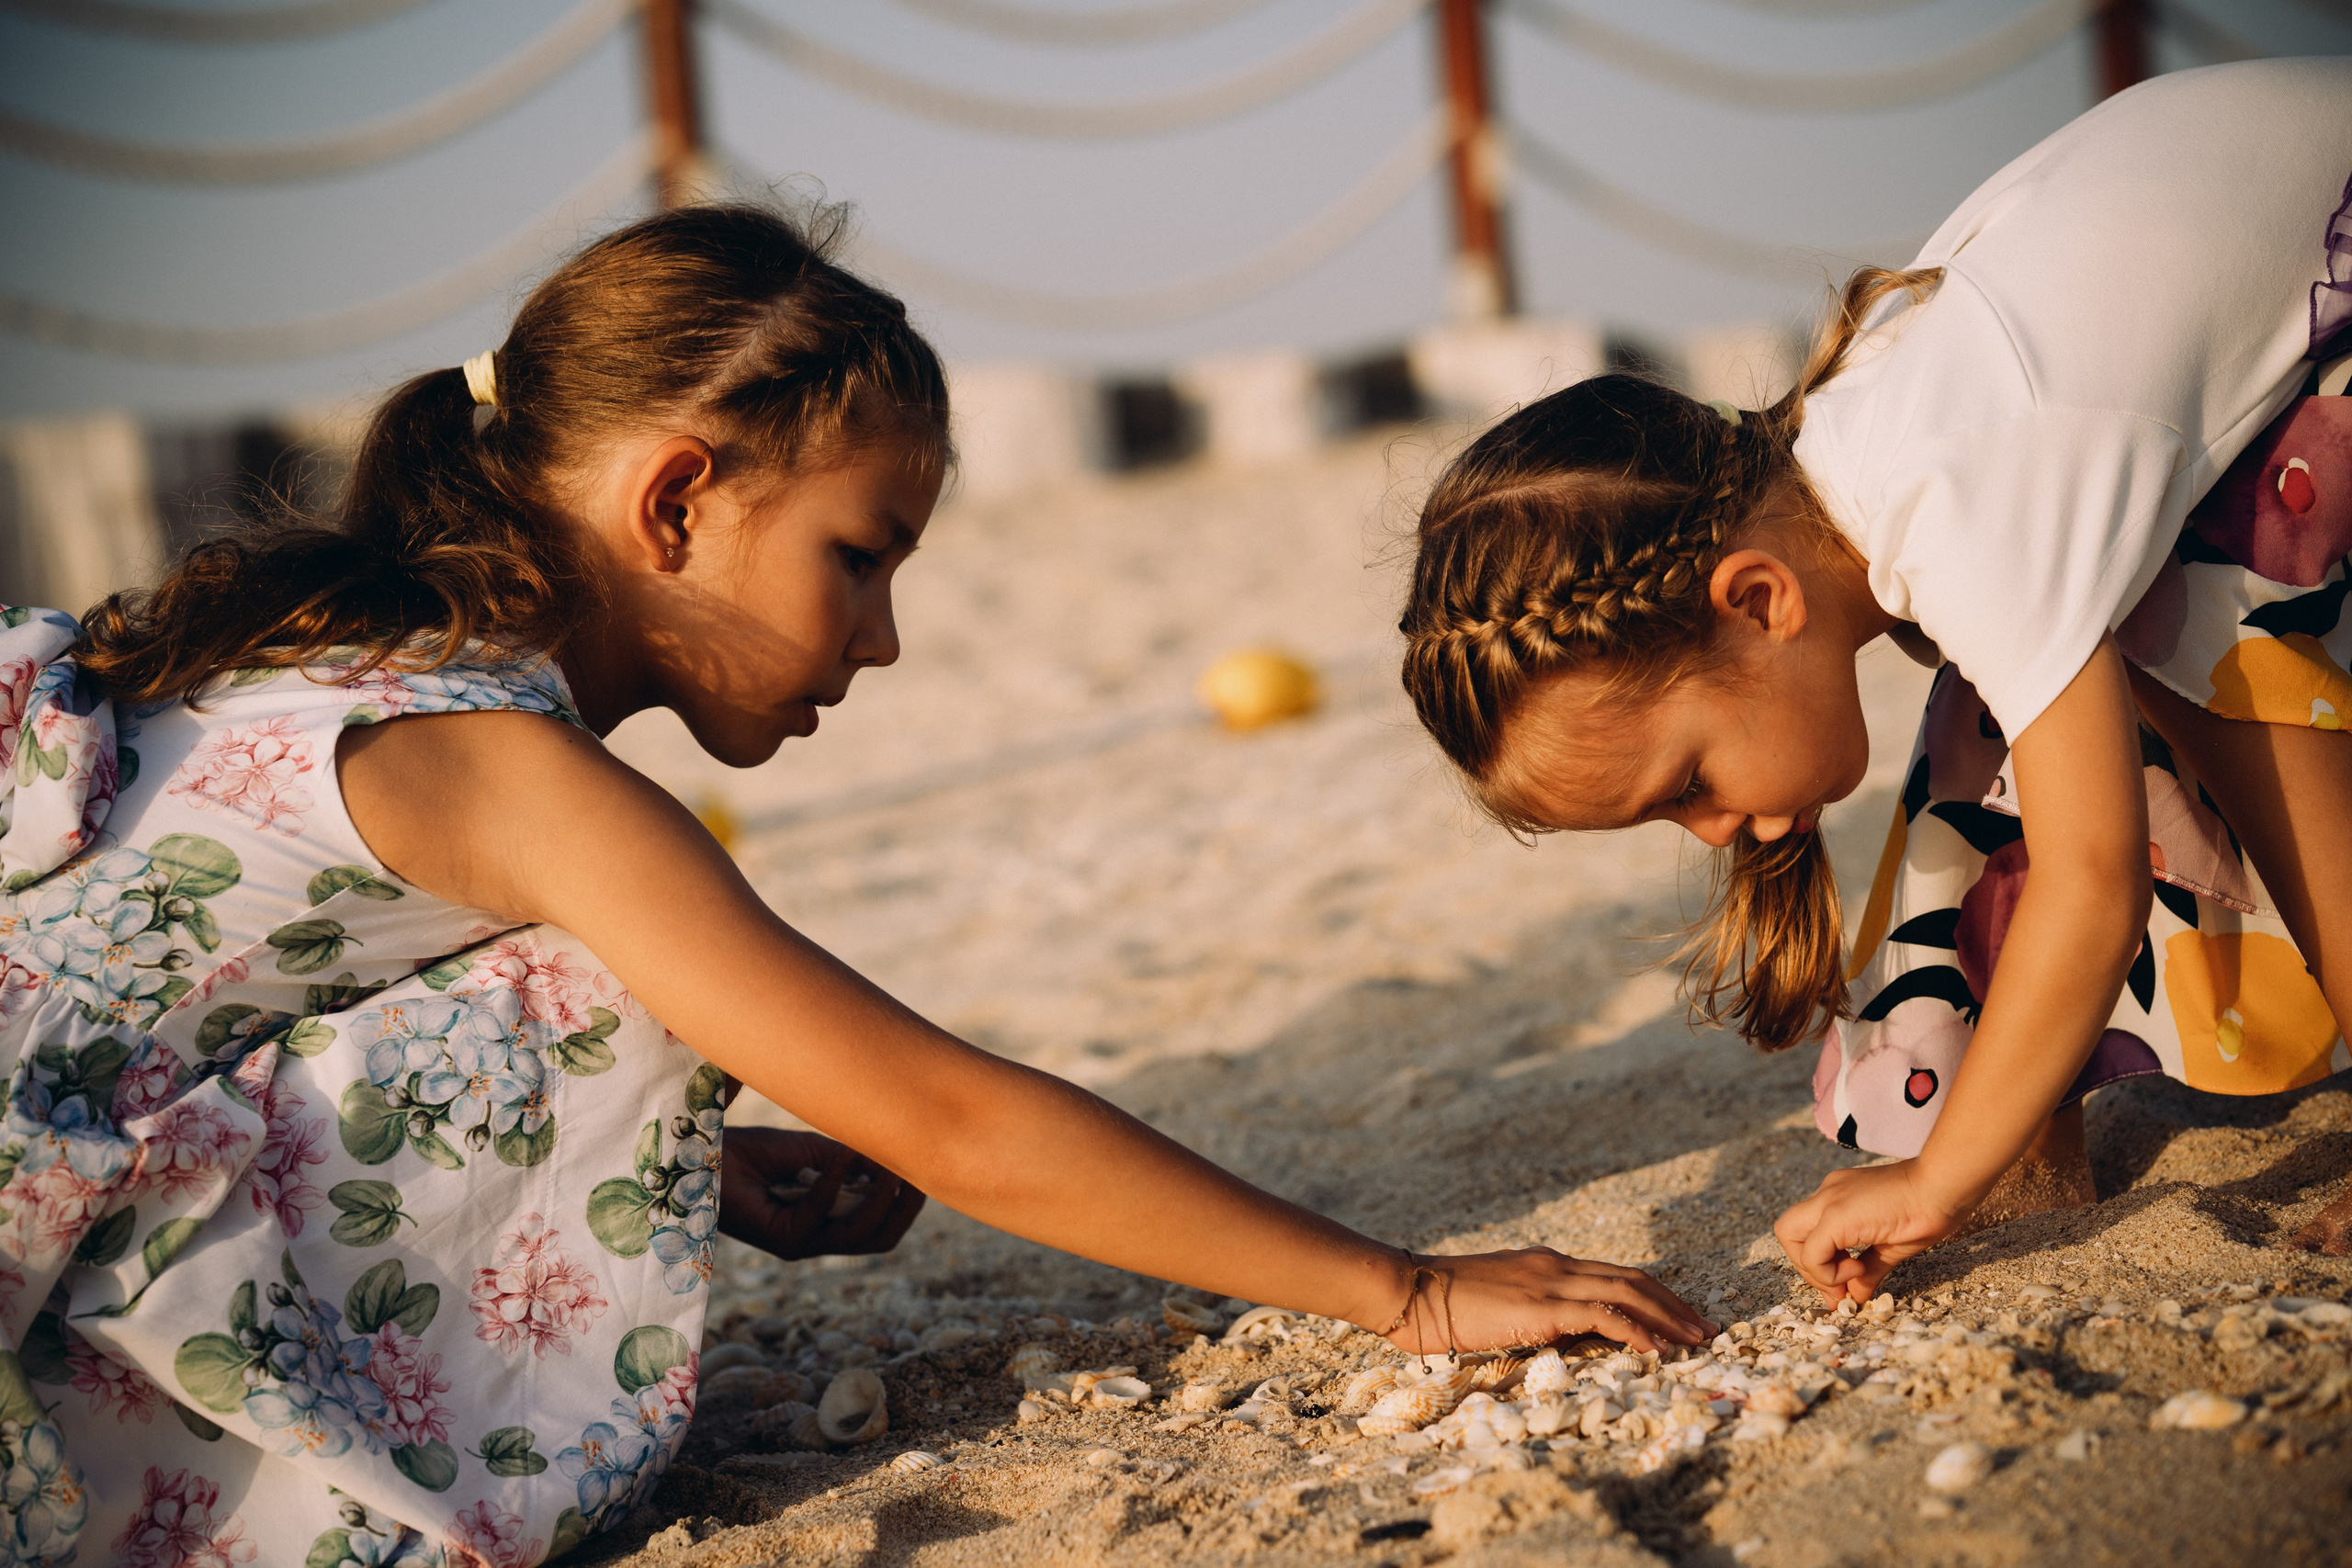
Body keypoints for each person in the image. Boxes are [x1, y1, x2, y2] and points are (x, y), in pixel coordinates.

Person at [0, 203, 1710, 1567]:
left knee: (612, 992)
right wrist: (1403, 1291)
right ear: (676, 499)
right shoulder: (514, 774)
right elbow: (943, 1117)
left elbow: (197, 1023)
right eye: (859, 557)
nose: (883, 639)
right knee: (614, 975)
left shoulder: (344, 653)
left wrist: (700, 1163)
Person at [1397, 59, 2352, 1311]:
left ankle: (2005, 1126)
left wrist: (1938, 1183)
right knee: (2010, 711)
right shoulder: (1862, 471)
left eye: (1688, 783)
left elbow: (2095, 883)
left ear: (1756, 600)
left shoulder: (1964, 496)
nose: (1718, 829)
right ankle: (2023, 1112)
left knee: (2193, 639)